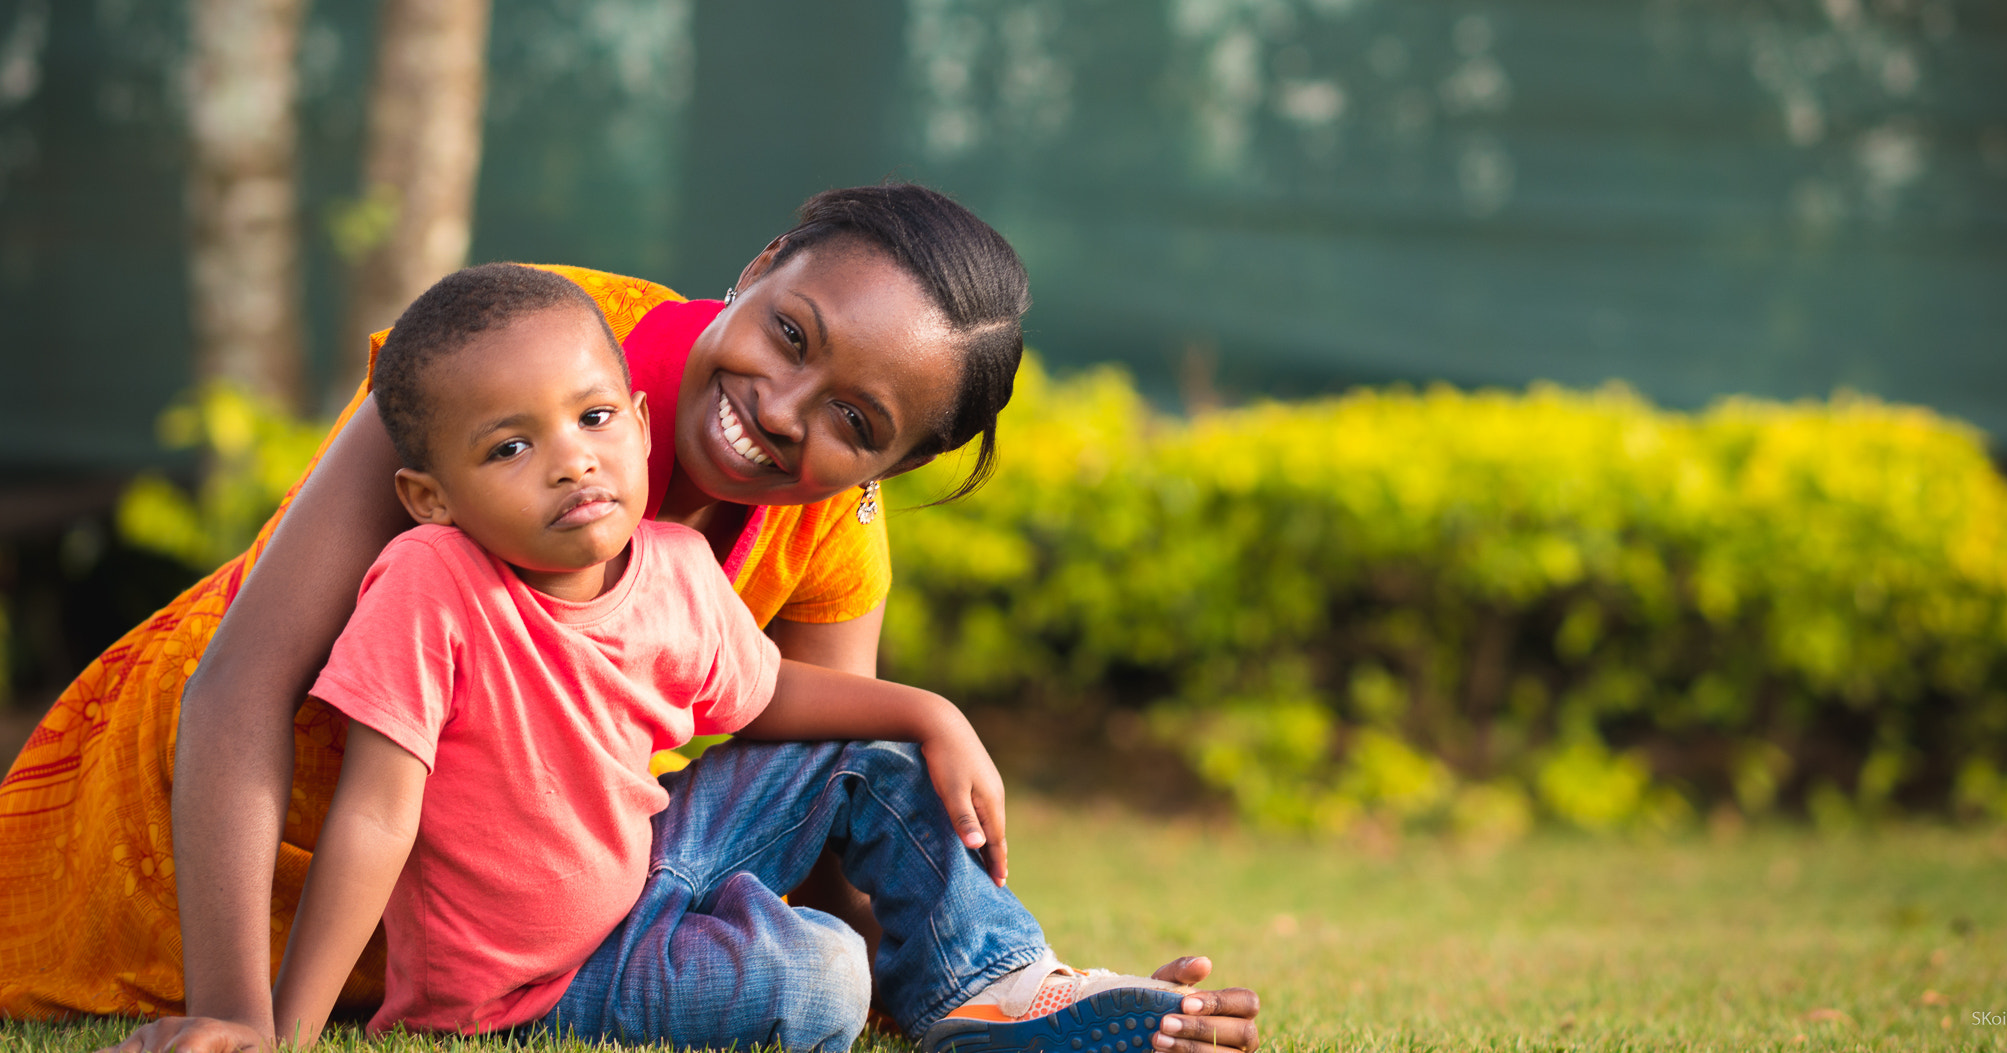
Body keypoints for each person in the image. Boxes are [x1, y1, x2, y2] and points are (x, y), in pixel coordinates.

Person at [0, 184, 1259, 1053]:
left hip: (530, 885)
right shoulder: (526, 354)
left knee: (872, 768)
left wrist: (968, 972)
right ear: (760, 267)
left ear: (888, 470)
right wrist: (239, 1015)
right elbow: (241, 685)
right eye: (790, 335)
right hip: (249, 830)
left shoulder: (830, 533)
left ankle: (999, 997)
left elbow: (810, 796)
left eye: (856, 425)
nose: (782, 408)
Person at [270, 263, 1184, 1050]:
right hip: (521, 990)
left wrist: (932, 713)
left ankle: (1001, 987)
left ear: (635, 418)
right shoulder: (432, 580)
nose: (571, 462)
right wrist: (282, 1031)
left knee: (879, 754)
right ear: (430, 495)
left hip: (643, 880)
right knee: (821, 972)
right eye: (511, 446)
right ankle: (792, 960)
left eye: (593, 419)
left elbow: (768, 697)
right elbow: (376, 816)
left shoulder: (674, 564)